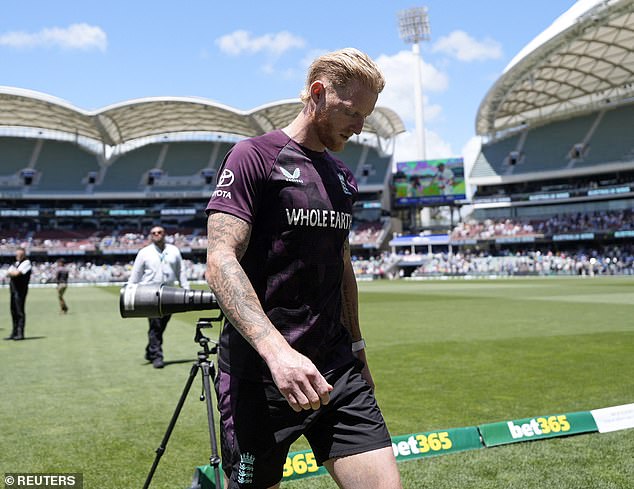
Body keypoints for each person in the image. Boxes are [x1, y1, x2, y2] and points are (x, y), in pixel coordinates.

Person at [205, 48, 402, 488]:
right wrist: (278, 354)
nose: (360, 127)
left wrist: (357, 349)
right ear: (318, 93)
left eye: (367, 116)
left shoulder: (343, 177)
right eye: (352, 112)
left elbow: (342, 265)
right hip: (259, 376)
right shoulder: (253, 157)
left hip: (336, 371)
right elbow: (219, 261)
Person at [128, 226, 189, 368]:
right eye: (154, 233)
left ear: (164, 234)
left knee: (161, 325)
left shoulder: (174, 250)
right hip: (150, 293)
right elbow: (136, 272)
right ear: (151, 236)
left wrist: (186, 289)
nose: (157, 234)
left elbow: (181, 271)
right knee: (155, 325)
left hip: (169, 293)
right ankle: (157, 356)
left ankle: (150, 351)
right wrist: (130, 289)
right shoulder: (144, 252)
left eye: (159, 232)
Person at [4, 247, 32, 341]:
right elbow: (9, 273)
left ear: (24, 255)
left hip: (20, 290)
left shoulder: (26, 263)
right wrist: (11, 273)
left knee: (19, 311)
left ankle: (20, 333)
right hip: (13, 290)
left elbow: (16, 273)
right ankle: (14, 332)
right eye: (17, 254)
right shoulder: (16, 263)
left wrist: (10, 273)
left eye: (20, 255)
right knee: (13, 311)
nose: (18, 256)